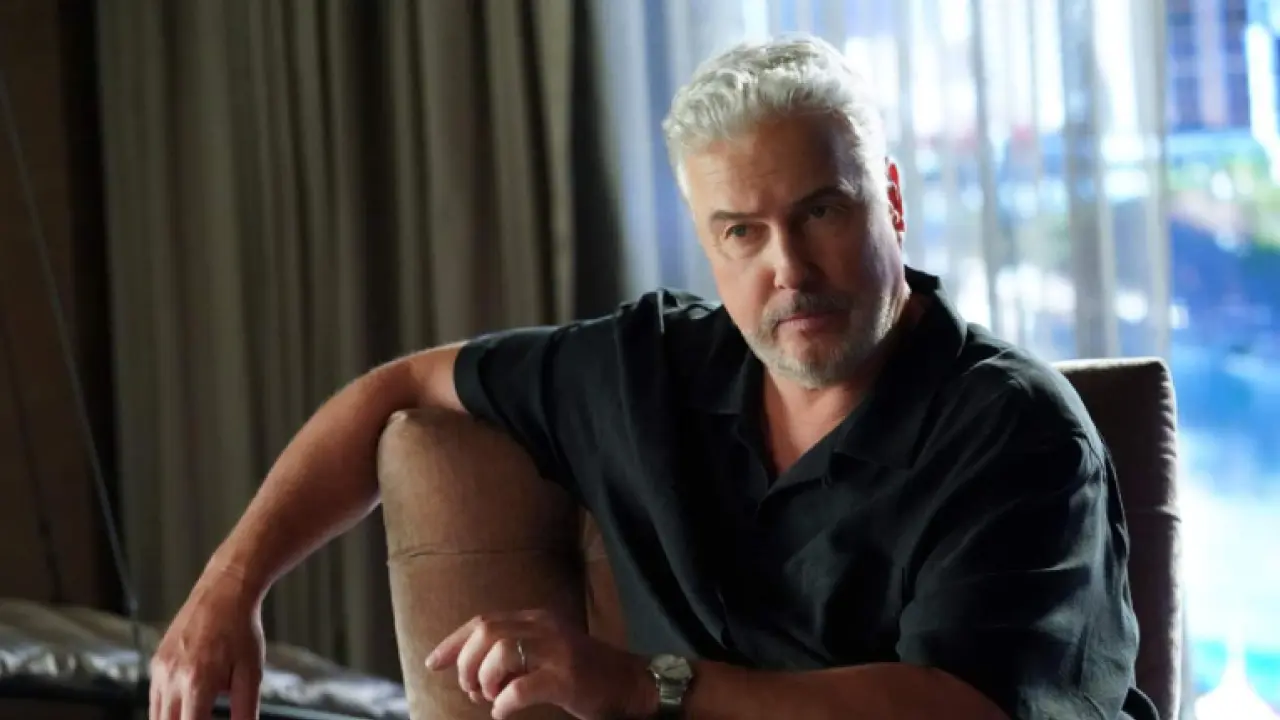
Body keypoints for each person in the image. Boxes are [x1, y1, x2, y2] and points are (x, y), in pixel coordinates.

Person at [148, 35, 1158, 720]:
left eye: (821, 212)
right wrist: (226, 595)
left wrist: (649, 685)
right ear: (706, 244)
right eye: (742, 232)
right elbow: (393, 390)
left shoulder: (1016, 432)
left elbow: (960, 710)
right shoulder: (645, 369)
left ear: (888, 201)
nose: (789, 269)